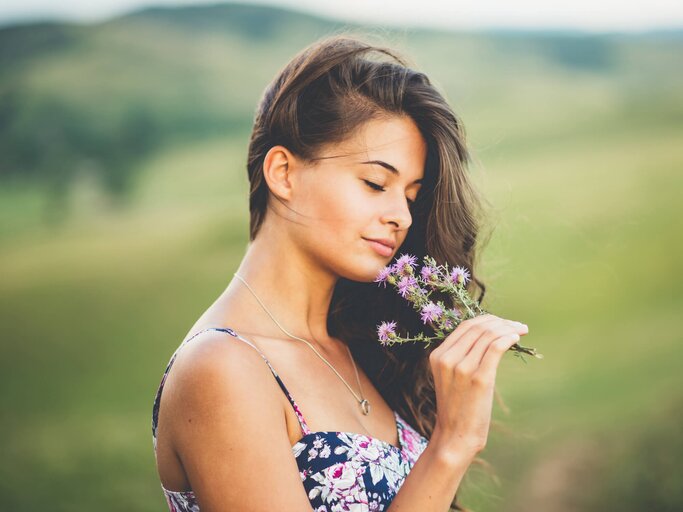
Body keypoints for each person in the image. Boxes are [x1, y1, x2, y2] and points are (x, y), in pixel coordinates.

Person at [151, 33, 530, 512]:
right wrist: (450, 446)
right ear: (283, 173)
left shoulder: (354, 346)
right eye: (375, 183)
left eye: (410, 196)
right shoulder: (221, 369)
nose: (403, 217)